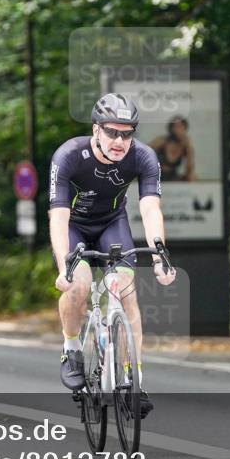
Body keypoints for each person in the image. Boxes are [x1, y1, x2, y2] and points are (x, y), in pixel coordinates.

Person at [48, 93, 176, 417]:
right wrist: (64, 265)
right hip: (74, 227)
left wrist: (159, 256)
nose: (120, 141)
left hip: (111, 225)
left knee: (127, 292)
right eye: (112, 132)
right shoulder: (69, 155)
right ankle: (71, 347)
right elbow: (59, 216)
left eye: (127, 134)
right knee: (78, 285)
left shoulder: (143, 156)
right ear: (96, 130)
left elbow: (150, 208)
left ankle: (134, 380)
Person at [149, 115, 196, 181]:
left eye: (181, 127)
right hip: (156, 174)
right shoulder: (163, 141)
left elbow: (190, 169)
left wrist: (189, 148)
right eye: (176, 127)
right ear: (171, 128)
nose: (178, 130)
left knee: (193, 177)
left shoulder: (185, 146)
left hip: (172, 176)